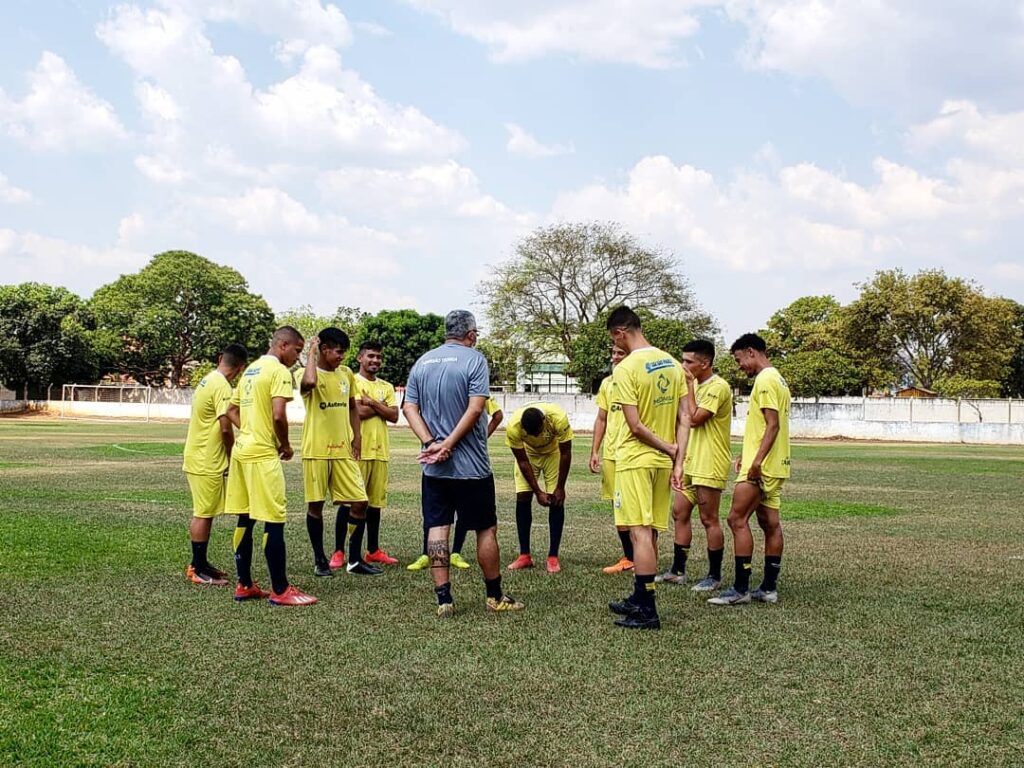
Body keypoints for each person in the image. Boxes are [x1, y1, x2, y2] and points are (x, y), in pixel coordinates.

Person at [402, 309, 524, 618]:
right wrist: (448, 444)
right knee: (485, 529)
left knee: (437, 528)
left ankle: (444, 599)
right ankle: (494, 596)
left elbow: (409, 408)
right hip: (472, 469)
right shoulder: (474, 359)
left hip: (434, 468)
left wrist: (431, 443)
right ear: (470, 334)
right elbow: (475, 409)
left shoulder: (422, 362)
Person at [605, 306, 688, 630]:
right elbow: (684, 417)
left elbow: (635, 425)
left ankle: (648, 609)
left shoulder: (625, 370)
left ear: (619, 333)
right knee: (649, 532)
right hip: (661, 464)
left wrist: (668, 448)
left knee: (638, 533)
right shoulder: (671, 363)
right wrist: (676, 458)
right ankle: (640, 595)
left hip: (636, 459)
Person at [225, 326, 316, 606]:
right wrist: (285, 445)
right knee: (274, 519)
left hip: (242, 451)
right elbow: (279, 415)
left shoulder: (251, 369)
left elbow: (231, 410)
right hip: (263, 455)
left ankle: (244, 585)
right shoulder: (278, 371)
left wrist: (250, 430)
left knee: (245, 517)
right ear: (283, 345)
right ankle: (280, 589)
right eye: (297, 351)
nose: (297, 358)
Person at [709, 333, 790, 606]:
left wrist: (755, 462)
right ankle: (768, 588)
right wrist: (747, 454)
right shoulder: (778, 378)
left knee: (736, 519)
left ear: (751, 352)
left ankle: (741, 589)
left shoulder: (765, 380)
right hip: (777, 464)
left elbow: (773, 425)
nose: (739, 366)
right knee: (770, 523)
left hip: (762, 466)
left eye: (739, 359)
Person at [300, 328, 380, 579]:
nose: (341, 357)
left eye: (344, 352)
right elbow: (310, 383)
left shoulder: (346, 374)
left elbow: (352, 408)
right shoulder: (304, 373)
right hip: (316, 450)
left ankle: (354, 560)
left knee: (360, 501)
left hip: (343, 450)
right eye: (338, 351)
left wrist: (357, 436)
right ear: (324, 350)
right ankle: (319, 559)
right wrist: (311, 352)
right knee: (316, 506)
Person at [664, 339, 732, 591]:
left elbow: (694, 419)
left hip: (710, 462)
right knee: (679, 512)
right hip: (690, 462)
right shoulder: (691, 386)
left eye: (689, 361)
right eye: (682, 360)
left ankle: (714, 576)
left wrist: (690, 386)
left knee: (709, 519)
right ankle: (677, 571)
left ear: (705, 363)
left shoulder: (718, 387)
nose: (684, 365)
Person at [407, 394, 503, 572]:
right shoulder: (440, 392)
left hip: (467, 465)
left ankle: (455, 553)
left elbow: (497, 415)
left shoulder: (479, 394)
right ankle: (425, 554)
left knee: (461, 517)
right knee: (435, 519)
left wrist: (482, 438)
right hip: (438, 462)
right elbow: (409, 409)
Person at [182, 343, 248, 585]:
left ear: (221, 358)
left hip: (200, 455)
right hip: (205, 458)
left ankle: (200, 563)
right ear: (241, 369)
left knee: (206, 512)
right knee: (203, 512)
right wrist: (232, 456)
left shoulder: (208, 379)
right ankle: (197, 569)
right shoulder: (222, 386)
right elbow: (225, 426)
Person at [504, 403, 573, 573]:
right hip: (528, 456)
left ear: (544, 420)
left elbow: (566, 453)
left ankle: (553, 557)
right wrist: (537, 492)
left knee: (556, 500)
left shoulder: (558, 418)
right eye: (531, 433)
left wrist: (560, 487)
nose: (536, 435)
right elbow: (522, 461)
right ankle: (524, 555)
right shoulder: (513, 427)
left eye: (538, 431)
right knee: (523, 497)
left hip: (553, 453)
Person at [354, 340, 400, 567]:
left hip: (380, 451)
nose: (375, 360)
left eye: (379, 357)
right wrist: (379, 407)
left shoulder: (387, 386)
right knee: (352, 501)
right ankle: (340, 552)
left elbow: (394, 416)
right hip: (357, 450)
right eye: (371, 356)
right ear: (360, 358)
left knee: (375, 504)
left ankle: (373, 549)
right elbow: (357, 412)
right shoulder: (351, 381)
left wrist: (371, 402)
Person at [590, 344, 632, 574]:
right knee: (618, 508)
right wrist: (595, 450)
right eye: (613, 353)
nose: (615, 357)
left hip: (633, 455)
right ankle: (630, 556)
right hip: (612, 455)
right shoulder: (608, 384)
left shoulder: (638, 381)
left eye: (620, 353)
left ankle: (641, 556)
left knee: (635, 508)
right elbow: (602, 419)